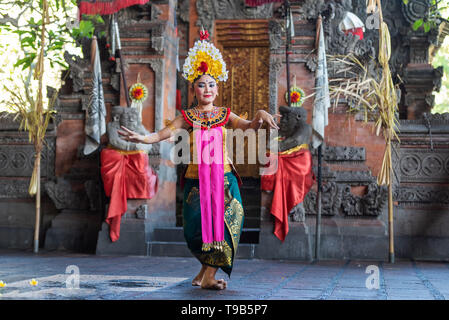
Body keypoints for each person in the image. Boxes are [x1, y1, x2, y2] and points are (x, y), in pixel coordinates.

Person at [118, 29, 280, 290]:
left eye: (212, 84)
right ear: (194, 88)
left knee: (230, 223)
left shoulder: (226, 114)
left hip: (225, 179)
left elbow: (250, 126)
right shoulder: (187, 116)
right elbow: (162, 134)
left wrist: (261, 113)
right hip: (196, 181)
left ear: (217, 89)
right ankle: (205, 274)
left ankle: (207, 275)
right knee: (195, 231)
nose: (207, 89)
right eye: (202, 84)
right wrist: (142, 138)